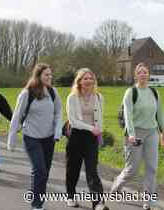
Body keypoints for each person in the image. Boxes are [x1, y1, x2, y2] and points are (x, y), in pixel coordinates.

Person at [8, 63, 62, 210]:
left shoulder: (53, 92)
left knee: (44, 172)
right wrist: (11, 139)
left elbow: (58, 113)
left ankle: (34, 194)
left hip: (49, 138)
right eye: (46, 75)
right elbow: (17, 116)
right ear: (38, 76)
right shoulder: (27, 93)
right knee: (40, 170)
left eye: (51, 74)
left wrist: (57, 132)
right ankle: (37, 205)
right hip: (31, 137)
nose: (50, 77)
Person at [111, 63, 164, 210]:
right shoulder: (131, 92)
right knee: (132, 169)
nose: (142, 74)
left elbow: (159, 114)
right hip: (135, 133)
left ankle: (148, 201)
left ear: (148, 75)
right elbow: (127, 115)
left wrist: (162, 132)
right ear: (136, 75)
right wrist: (132, 135)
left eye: (145, 72)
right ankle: (116, 185)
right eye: (139, 72)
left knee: (152, 168)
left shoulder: (154, 92)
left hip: (151, 132)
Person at [65, 68, 109, 210]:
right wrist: (92, 128)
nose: (88, 80)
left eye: (91, 78)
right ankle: (70, 196)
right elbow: (73, 121)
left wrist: (99, 132)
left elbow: (100, 118)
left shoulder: (99, 97)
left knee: (92, 170)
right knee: (73, 170)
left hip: (91, 138)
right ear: (79, 81)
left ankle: (98, 203)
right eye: (85, 78)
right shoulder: (72, 97)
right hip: (76, 136)